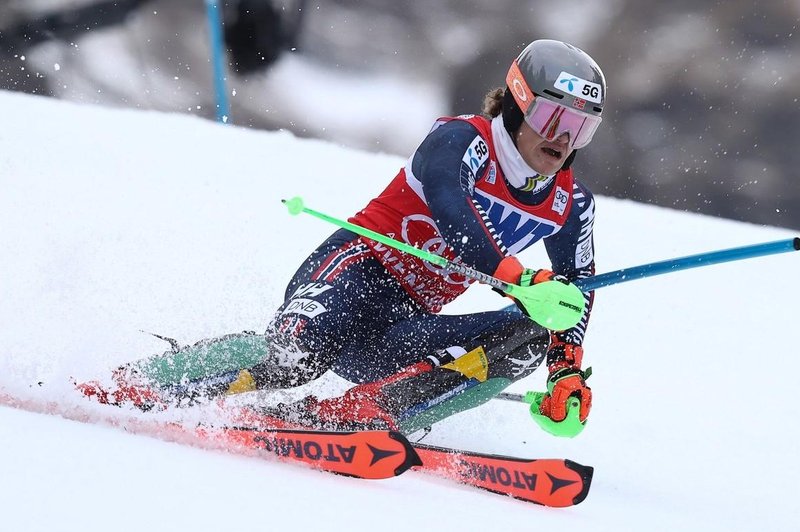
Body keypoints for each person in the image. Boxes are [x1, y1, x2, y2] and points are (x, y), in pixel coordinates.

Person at [79, 39, 603, 435]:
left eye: (581, 128)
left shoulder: (571, 205)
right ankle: (132, 385)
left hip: (405, 325)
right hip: (357, 272)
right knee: (292, 359)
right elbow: (454, 214)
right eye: (553, 116)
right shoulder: (460, 141)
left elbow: (576, 291)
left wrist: (565, 373)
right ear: (516, 103)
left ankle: (366, 413)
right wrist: (518, 277)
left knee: (530, 333)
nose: (563, 139)